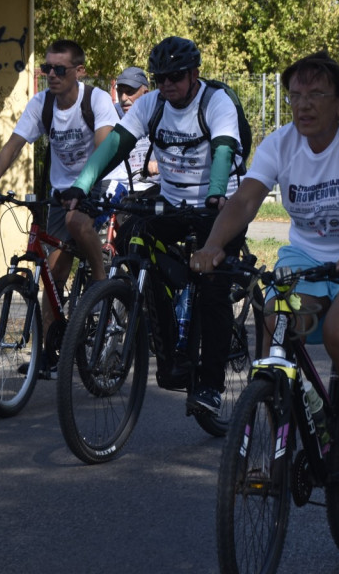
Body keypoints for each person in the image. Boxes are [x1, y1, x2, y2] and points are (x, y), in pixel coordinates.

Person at [189, 51, 339, 488]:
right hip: (308, 255)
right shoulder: (280, 143)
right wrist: (213, 245)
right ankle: (279, 446)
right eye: (295, 96)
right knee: (274, 323)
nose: (303, 105)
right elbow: (244, 200)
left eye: (316, 95)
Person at [63, 36, 243, 416]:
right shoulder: (151, 104)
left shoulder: (216, 101)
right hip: (174, 202)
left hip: (221, 204)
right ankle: (170, 352)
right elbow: (115, 145)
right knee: (132, 233)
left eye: (175, 77)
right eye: (160, 78)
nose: (167, 85)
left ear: (194, 74)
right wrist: (82, 184)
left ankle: (210, 385)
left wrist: (214, 194)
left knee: (212, 288)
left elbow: (225, 149)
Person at [0, 39, 119, 376]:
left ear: (78, 71)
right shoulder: (42, 104)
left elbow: (104, 149)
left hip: (100, 182)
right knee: (52, 276)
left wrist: (83, 188)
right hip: (61, 191)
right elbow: (13, 145)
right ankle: (48, 355)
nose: (51, 74)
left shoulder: (95, 100)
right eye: (46, 68)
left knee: (78, 222)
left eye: (59, 69)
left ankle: (100, 283)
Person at [114, 65, 159, 192]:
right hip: (122, 189)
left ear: (145, 93)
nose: (123, 98)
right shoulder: (111, 115)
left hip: (156, 187)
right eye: (120, 92)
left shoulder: (161, 115)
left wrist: (160, 164)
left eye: (129, 92)